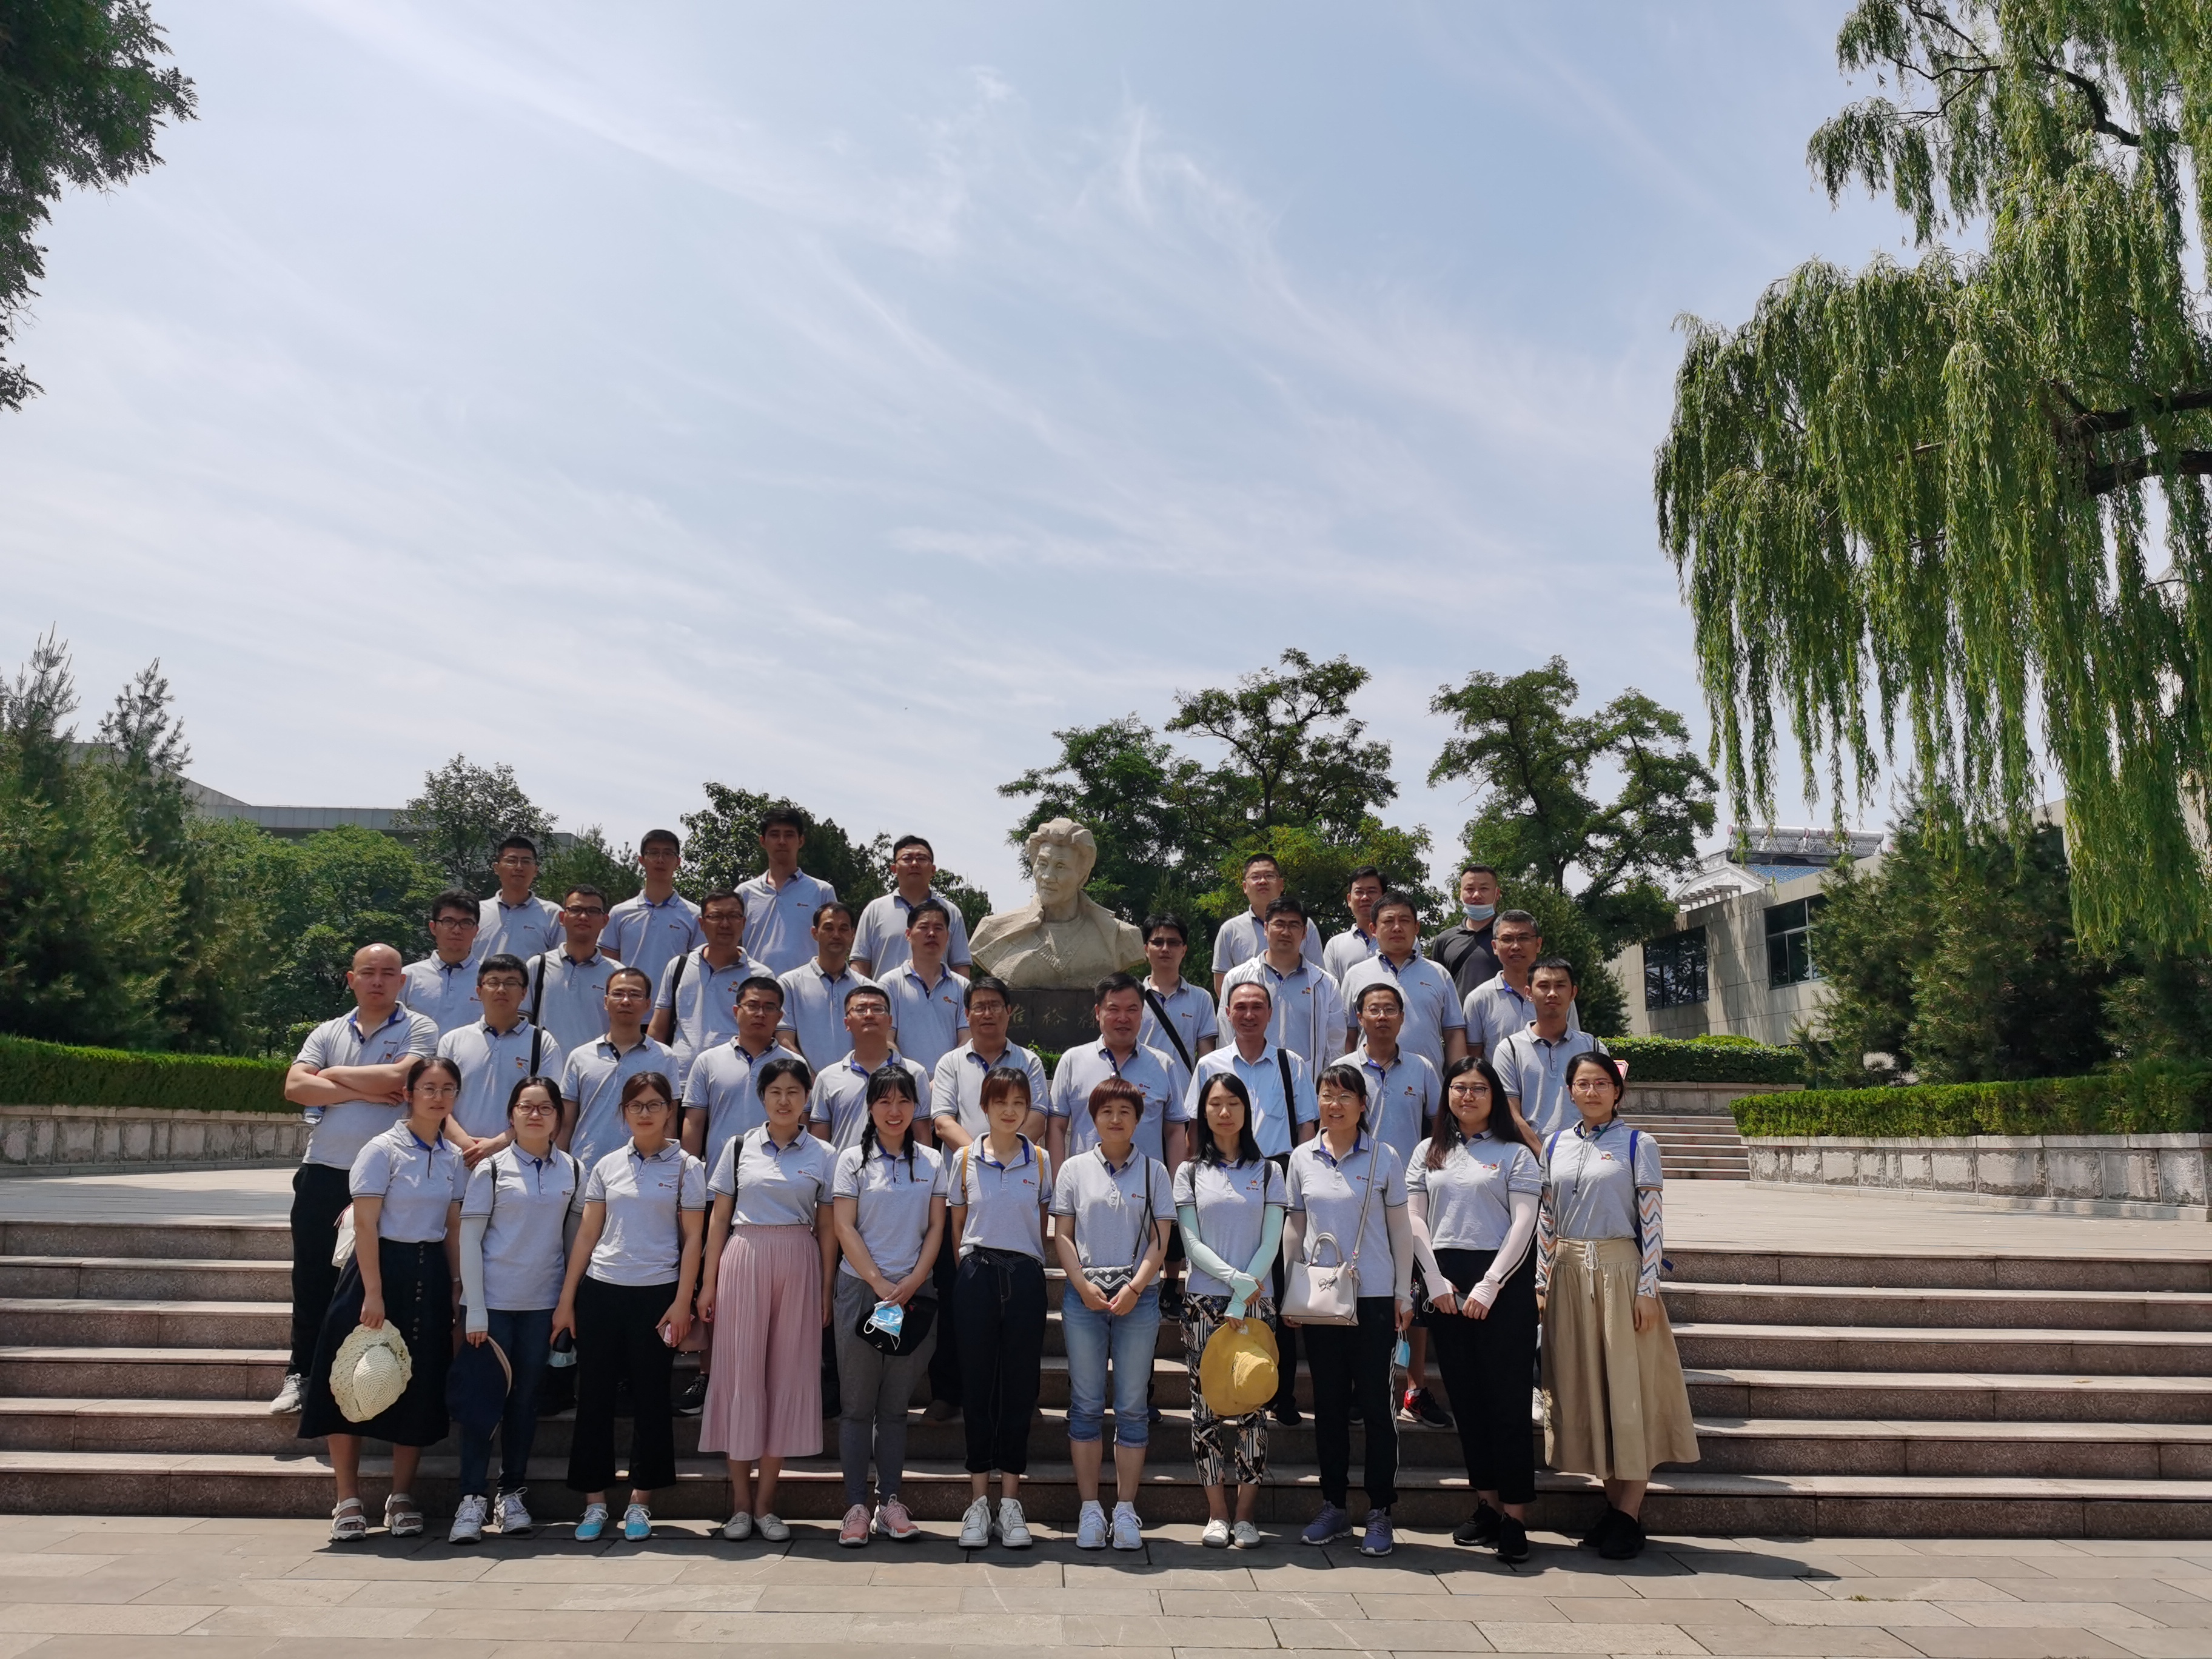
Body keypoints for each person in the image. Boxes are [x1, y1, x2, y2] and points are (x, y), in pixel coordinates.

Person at [1538, 1050, 1698, 1561]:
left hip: (1622, 1276)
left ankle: (1629, 1515)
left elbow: (1651, 1221)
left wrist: (1648, 1289)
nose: (1592, 1092)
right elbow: (1546, 1218)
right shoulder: (1554, 1145)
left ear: (1617, 1091)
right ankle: (1613, 1510)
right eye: (1583, 1083)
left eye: (1601, 1083)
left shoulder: (1637, 1143)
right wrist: (1541, 1282)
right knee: (1588, 1392)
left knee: (1628, 1393)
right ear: (1570, 1090)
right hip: (1567, 1276)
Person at [297, 1054, 464, 1543]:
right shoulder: (382, 1149)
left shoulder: (453, 1158)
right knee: (350, 1377)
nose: (438, 1097)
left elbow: (453, 1226)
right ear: (408, 1094)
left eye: (447, 1089)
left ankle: (402, 1496)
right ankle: (347, 1499)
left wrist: (457, 1286)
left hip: (429, 1272)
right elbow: (367, 1224)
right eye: (429, 1088)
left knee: (419, 1383)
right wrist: (373, 1293)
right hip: (376, 1271)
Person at [273, 944, 438, 1416]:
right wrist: (364, 1090)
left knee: (383, 1281)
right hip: (325, 1170)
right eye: (368, 972)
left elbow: (402, 1076)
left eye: (388, 973)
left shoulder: (420, 1028)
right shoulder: (327, 1031)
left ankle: (380, 1379)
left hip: (393, 1178)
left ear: (402, 981)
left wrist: (334, 1076)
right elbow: (294, 1086)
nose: (377, 981)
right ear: (351, 979)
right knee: (312, 1278)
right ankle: (302, 1373)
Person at [1284, 1062, 1433, 1560]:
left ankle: (1380, 1510)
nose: (1335, 1105)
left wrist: (1402, 1293)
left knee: (1376, 1407)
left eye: (1346, 1096)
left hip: (1373, 1300)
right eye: (1327, 1096)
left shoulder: (1384, 1157)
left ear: (1363, 1105)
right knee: (1328, 1406)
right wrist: (1289, 1288)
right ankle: (1333, 1505)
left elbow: (1401, 1231)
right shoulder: (1302, 1158)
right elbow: (1295, 1227)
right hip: (1322, 1300)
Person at [554, 1071, 706, 1543]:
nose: (645, 1112)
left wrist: (682, 1301)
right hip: (602, 1291)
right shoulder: (606, 1165)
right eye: (636, 1105)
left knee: (651, 1399)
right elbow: (587, 1234)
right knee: (594, 1398)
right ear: (623, 1114)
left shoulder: (687, 1167)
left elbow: (694, 1238)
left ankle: (641, 1500)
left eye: (655, 1104)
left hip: (658, 1295)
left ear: (670, 1111)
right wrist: (567, 1300)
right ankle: (594, 1501)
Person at [1407, 1056, 1543, 1564]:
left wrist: (1491, 1284)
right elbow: (1415, 1221)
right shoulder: (1428, 1151)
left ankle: (1515, 1517)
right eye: (1459, 1087)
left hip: (1502, 1284)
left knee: (1508, 1403)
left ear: (1495, 1097)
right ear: (1446, 1095)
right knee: (1467, 1401)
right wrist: (1434, 1279)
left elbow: (1525, 1223)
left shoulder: (1515, 1153)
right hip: (1445, 1283)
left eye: (1479, 1088)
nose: (1468, 1096)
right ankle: (1487, 1504)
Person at [697, 1055, 834, 1543]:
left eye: (794, 1092)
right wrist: (708, 1283)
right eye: (775, 1091)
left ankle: (766, 1504)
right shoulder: (738, 1147)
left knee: (786, 1378)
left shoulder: (824, 1153)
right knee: (741, 1375)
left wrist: (825, 1290)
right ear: (762, 1098)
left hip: (799, 1258)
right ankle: (739, 1505)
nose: (784, 1100)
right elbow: (718, 1219)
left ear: (807, 1099)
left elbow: (828, 1227)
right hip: (745, 1255)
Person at [451, 1074, 583, 1544]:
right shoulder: (491, 1169)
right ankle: (471, 1498)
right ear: (511, 1115)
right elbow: (470, 1238)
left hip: (541, 1306)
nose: (535, 1115)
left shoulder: (573, 1169)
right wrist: (476, 1308)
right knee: (481, 1404)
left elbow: (573, 1242)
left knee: (525, 1403)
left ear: (558, 1117)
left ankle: (511, 1494)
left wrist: (567, 1303)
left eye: (545, 1107)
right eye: (526, 1106)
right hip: (491, 1307)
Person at [1181, 979, 1318, 1425]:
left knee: (1276, 1286)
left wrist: (1299, 1178)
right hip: (1219, 1173)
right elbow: (1194, 1126)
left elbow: (1306, 1127)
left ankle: (1280, 1391)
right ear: (1227, 1012)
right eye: (1240, 1006)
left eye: (1258, 1006)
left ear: (1270, 1013)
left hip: (1275, 1174)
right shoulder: (1211, 1064)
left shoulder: (1291, 1063)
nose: (1248, 1014)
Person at [1051, 1079, 1175, 1551]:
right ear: (1094, 1118)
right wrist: (1081, 1284)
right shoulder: (1074, 1170)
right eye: (1107, 1111)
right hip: (1084, 1296)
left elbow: (1160, 1241)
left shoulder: (1154, 1172)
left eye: (1126, 1111)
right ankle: (1089, 1509)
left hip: (1137, 1298)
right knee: (1085, 1404)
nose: (1116, 1119)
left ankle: (1125, 1508)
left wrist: (1136, 1287)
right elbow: (1063, 1234)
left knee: (1132, 1407)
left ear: (1138, 1119)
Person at [828, 1065, 947, 1546]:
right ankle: (856, 1506)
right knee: (857, 1406)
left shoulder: (933, 1162)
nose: (894, 1111)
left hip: (914, 1295)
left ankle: (890, 1503)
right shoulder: (851, 1161)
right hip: (862, 1291)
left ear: (916, 1106)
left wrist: (913, 1280)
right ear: (870, 1107)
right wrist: (878, 1282)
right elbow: (843, 1226)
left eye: (903, 1101)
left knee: (896, 1408)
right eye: (884, 1101)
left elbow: (937, 1227)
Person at [1173, 1073, 1286, 1549]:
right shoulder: (1189, 1172)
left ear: (1246, 1110)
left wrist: (1242, 1296)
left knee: (1254, 1408)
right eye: (1215, 1103)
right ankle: (1217, 1513)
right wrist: (1234, 1282)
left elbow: (1272, 1241)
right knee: (1205, 1411)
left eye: (1234, 1103)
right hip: (1204, 1302)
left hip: (1256, 1304)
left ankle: (1245, 1515)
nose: (1225, 1112)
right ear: (1203, 1112)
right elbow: (1191, 1243)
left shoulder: (1270, 1171)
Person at [948, 1065, 1051, 1551]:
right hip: (977, 1275)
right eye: (1000, 1102)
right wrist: (970, 1272)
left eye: (1019, 1103)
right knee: (977, 1388)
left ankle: (1010, 1501)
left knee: (1020, 1389)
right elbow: (957, 1226)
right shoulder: (964, 1158)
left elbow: (1042, 1222)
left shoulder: (1042, 1160)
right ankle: (978, 1501)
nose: (1010, 1111)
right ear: (985, 1107)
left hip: (1025, 1277)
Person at [1346, 980, 1449, 1429]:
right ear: (1360, 1017)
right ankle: (1360, 1387)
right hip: (1354, 1196)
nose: (1382, 1017)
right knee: (1357, 1290)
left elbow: (1439, 1129)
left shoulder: (1422, 1068)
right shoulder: (1343, 1068)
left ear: (1403, 1018)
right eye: (1374, 1009)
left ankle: (1415, 1389)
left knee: (1415, 1296)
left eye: (1391, 1009)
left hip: (1409, 1197)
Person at [1046, 973, 1189, 1169]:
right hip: (1085, 1183)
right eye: (1114, 1009)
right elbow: (1057, 1126)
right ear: (1098, 1012)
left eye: (1132, 1010)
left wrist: (1174, 1185)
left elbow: (1175, 1132)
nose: (1123, 1018)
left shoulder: (1163, 1065)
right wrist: (1058, 1181)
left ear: (1142, 1013)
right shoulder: (1072, 1061)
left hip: (1146, 1184)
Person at [437, 954, 561, 1162]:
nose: (502, 989)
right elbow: (438, 1100)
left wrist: (498, 1144)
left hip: (518, 1159)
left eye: (511, 983)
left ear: (524, 993)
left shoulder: (542, 1043)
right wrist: (467, 1146)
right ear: (479, 991)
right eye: (493, 982)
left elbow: (549, 1107)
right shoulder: (452, 1041)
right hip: (456, 1157)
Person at [649, 888, 776, 1091]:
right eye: (716, 916)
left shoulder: (760, 975)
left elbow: (767, 1033)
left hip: (735, 1084)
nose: (725, 924)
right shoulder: (679, 966)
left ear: (743, 923)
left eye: (733, 916)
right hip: (680, 1081)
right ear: (702, 924)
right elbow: (659, 1027)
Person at [682, 978, 805, 1177]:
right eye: (752, 1006)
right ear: (736, 1011)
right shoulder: (708, 1061)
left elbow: (803, 1122)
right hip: (719, 1178)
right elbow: (694, 1123)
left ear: (780, 1016)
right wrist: (688, 1177)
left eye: (769, 1007)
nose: (760, 1014)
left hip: (780, 1179)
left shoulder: (795, 1064)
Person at [558, 967, 677, 1171]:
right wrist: (561, 1170)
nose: (626, 1001)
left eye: (635, 995)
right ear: (606, 1002)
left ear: (648, 1004)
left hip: (645, 1170)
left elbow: (669, 1122)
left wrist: (666, 1169)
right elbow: (566, 1124)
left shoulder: (664, 1057)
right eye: (618, 994)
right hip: (586, 1168)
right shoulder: (580, 1057)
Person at [1340, 892, 1467, 1074]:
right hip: (1367, 1083)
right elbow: (1347, 1036)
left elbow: (1454, 1033)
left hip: (1427, 1083)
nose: (1397, 928)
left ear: (1416, 927)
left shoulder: (1438, 974)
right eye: (1388, 921)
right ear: (1373, 929)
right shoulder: (1355, 975)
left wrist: (1458, 1080)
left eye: (1405, 921)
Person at [1221, 897, 1349, 1074]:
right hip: (1250, 1081)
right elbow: (1226, 1037)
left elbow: (1335, 1045)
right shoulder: (1238, 979)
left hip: (1305, 1083)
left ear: (1304, 933)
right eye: (1279, 924)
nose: (1286, 932)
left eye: (1294, 925)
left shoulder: (1324, 983)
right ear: (1266, 928)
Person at [930, 974, 1048, 1147]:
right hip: (965, 1162)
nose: (987, 1014)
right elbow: (944, 1123)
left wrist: (1007, 1156)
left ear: (1009, 1011)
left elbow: (1036, 1120)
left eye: (995, 1006)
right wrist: (978, 1157)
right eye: (979, 1007)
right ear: (967, 1014)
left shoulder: (1029, 1062)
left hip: (1015, 1163)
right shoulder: (950, 1063)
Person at [1493, 957, 1607, 1139]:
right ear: (1529, 993)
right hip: (1530, 1153)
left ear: (1573, 993)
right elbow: (1512, 1115)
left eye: (1560, 986)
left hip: (1586, 1149)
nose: (1552, 993)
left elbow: (1605, 1106)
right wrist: (1544, 1153)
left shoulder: (1593, 1047)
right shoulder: (1509, 1050)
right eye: (1544, 986)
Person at [809, 984, 931, 1151]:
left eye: (877, 1009)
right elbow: (820, 1143)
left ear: (890, 1021)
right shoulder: (827, 1077)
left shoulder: (914, 1073)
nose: (869, 1015)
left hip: (901, 1167)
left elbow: (922, 1136)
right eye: (860, 1010)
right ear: (847, 1022)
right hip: (844, 1167)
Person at [852, 834, 974, 979]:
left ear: (933, 870)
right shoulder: (875, 910)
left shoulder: (951, 912)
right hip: (885, 994)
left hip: (938, 994)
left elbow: (960, 967)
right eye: (907, 859)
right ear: (894, 869)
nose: (915, 864)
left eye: (922, 859)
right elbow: (860, 964)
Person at [737, 805, 840, 977]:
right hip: (755, 987)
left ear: (801, 841)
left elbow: (834, 943)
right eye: (774, 835)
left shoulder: (822, 891)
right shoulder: (745, 893)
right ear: (762, 841)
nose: (782, 841)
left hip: (808, 986)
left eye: (789, 835)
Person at [1462, 910, 1579, 1059]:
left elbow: (1574, 1046)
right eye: (1507, 939)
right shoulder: (1479, 999)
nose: (1516, 946)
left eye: (1524, 938)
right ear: (1495, 947)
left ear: (1538, 944)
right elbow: (1473, 1059)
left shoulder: (1557, 996)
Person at [523, 886, 620, 1056]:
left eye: (593, 911)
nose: (583, 917)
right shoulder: (538, 966)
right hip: (546, 1066)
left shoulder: (618, 975)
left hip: (598, 1067)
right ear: (562, 918)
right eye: (575, 910)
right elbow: (522, 1025)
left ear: (605, 921)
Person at [776, 900, 874, 1068]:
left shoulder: (868, 989)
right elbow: (784, 1039)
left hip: (859, 1080)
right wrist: (808, 1077)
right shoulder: (790, 984)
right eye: (828, 928)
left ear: (852, 934)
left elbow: (873, 1042)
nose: (836, 935)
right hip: (807, 1081)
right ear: (815, 933)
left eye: (843, 929)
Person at [879, 899, 970, 1076]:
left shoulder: (962, 987)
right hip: (902, 1082)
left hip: (951, 1082)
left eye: (938, 928)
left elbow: (967, 1039)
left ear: (948, 936)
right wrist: (910, 1078)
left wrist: (944, 1078)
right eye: (924, 927)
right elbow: (886, 1039)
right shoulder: (889, 984)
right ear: (908, 934)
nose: (932, 934)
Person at [1135, 911, 1218, 1106]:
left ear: (1184, 950)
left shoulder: (1201, 998)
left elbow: (1206, 1058)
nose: (1165, 949)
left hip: (1184, 1100)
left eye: (1173, 943)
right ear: (1146, 949)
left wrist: (1202, 1100)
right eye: (1158, 942)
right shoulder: (1132, 998)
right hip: (1139, 1099)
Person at [1210, 853, 1321, 994]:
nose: (1263, 881)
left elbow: (1318, 977)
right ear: (1245, 887)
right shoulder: (1230, 930)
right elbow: (1222, 986)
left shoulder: (1305, 925)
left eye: (1269, 876)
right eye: (1255, 877)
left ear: (1281, 884)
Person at [603, 830, 702, 990]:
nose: (660, 860)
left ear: (678, 862)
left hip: (674, 1002)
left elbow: (698, 967)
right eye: (654, 853)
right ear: (641, 860)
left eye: (668, 854)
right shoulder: (619, 913)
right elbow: (607, 965)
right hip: (628, 1001)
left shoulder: (694, 915)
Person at [401, 891, 484, 1037]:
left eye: (466, 923)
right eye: (448, 922)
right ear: (433, 927)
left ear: (476, 930)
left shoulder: (489, 978)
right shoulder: (407, 977)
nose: (457, 930)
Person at [476, 836, 565, 964]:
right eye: (511, 861)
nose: (519, 867)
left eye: (526, 861)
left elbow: (560, 962)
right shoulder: (477, 911)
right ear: (496, 868)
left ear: (536, 870)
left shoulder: (552, 914)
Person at [1427, 865, 1504, 1002]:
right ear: (1460, 894)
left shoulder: (1509, 937)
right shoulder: (1445, 940)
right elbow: (1436, 988)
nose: (1476, 895)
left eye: (1484, 889)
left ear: (1497, 894)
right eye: (1470, 889)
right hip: (1458, 1015)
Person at [1321, 865, 1387, 984]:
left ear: (1384, 897)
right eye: (1359, 892)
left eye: (1372, 891)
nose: (1365, 898)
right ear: (1349, 900)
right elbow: (1329, 990)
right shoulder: (1335, 946)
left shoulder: (1401, 939)